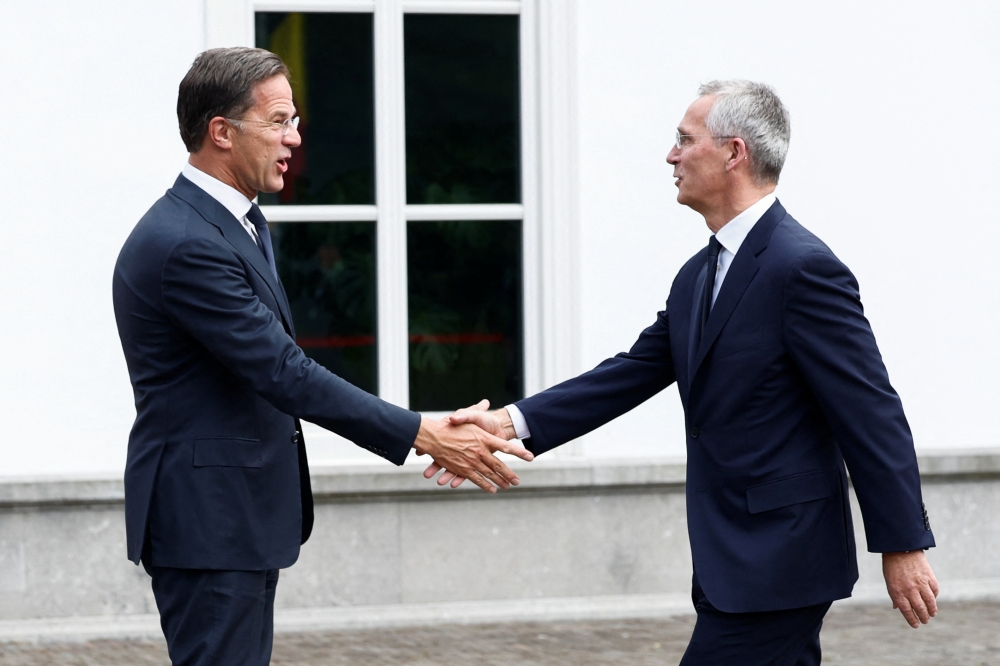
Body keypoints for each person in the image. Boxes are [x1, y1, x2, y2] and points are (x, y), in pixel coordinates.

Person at [427, 80, 939, 664]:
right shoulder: (699, 273)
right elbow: (630, 373)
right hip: (733, 559)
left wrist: (902, 542)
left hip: (781, 559)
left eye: (683, 140)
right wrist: (509, 423)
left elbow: (871, 411)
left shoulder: (805, 269)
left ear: (733, 153)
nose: (670, 156)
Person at [112, 47, 531, 666]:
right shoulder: (186, 243)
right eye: (279, 120)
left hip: (232, 518)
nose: (295, 138)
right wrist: (419, 432)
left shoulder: (237, 222)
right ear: (221, 133)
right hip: (209, 522)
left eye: (295, 120)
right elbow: (282, 370)